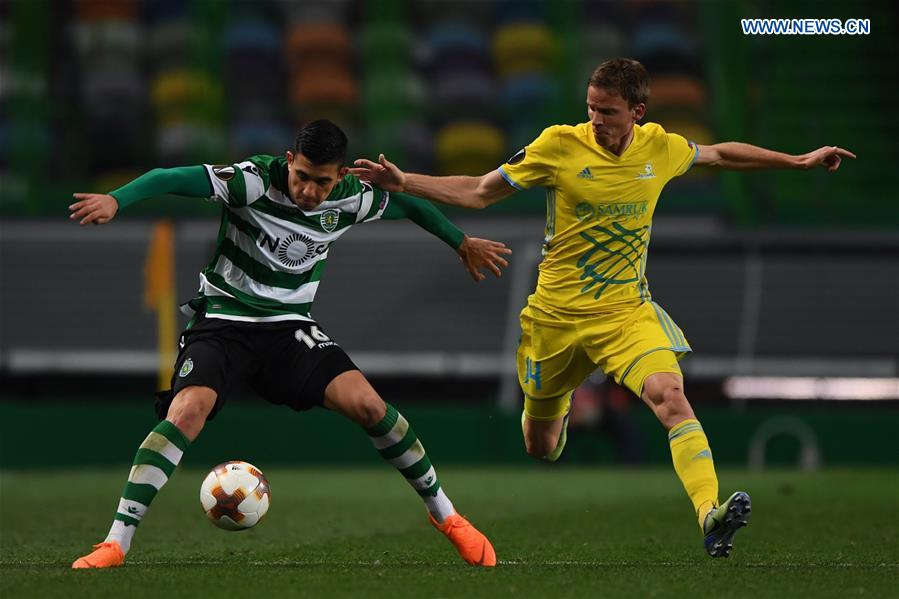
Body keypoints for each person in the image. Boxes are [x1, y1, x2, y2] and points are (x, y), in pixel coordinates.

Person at [350, 58, 855, 558]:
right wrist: (405, 182)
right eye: (591, 108)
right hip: (555, 318)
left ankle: (709, 512)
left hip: (625, 314)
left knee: (670, 397)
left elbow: (721, 154)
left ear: (637, 111)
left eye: (607, 111)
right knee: (540, 446)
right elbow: (481, 192)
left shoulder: (662, 147)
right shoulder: (558, 146)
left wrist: (798, 161)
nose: (595, 119)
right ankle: (560, 409)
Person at [69, 119, 511, 569]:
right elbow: (172, 177)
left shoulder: (352, 198)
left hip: (290, 329)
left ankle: (447, 517)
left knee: (371, 408)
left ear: (340, 177)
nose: (308, 190)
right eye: (301, 176)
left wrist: (461, 242)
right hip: (223, 321)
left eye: (321, 182)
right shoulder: (253, 181)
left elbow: (411, 206)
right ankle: (116, 542)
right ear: (288, 162)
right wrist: (115, 199)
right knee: (187, 412)